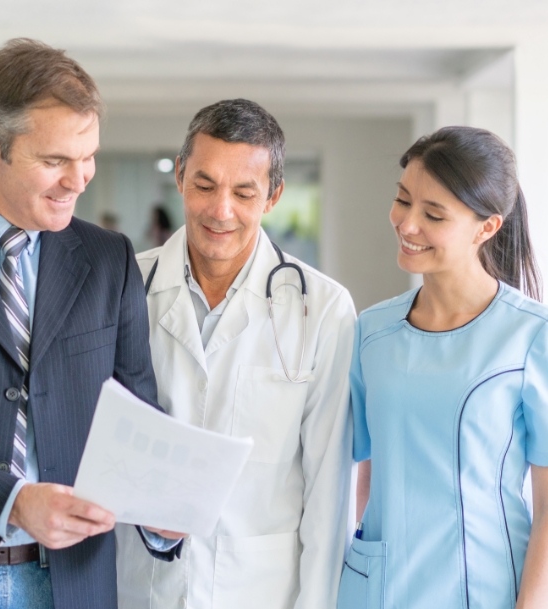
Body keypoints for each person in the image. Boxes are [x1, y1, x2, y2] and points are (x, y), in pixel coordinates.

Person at [0, 38, 181, 609]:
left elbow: (135, 413)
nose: (79, 180)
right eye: (55, 160)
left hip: (75, 585)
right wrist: (7, 501)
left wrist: (162, 512)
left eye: (87, 156)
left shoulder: (109, 259)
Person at [116, 99, 356, 609]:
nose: (220, 210)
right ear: (180, 176)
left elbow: (329, 491)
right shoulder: (124, 286)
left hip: (260, 591)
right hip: (140, 586)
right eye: (204, 185)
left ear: (273, 196)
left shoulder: (324, 309)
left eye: (244, 192)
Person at [339, 126, 548, 609]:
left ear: (487, 228)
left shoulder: (531, 337)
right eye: (403, 200)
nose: (407, 224)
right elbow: (364, 470)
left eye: (433, 214)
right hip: (377, 586)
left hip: (486, 588)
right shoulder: (372, 331)